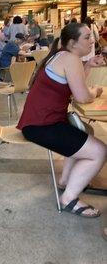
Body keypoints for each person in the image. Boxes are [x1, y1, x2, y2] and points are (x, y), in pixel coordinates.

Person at [17, 22, 106, 218]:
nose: (92, 41)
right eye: (87, 37)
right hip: (42, 125)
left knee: (84, 134)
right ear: (73, 42)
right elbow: (82, 96)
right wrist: (95, 91)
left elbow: (74, 84)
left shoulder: (63, 56)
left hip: (39, 122)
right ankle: (69, 199)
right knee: (99, 151)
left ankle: (66, 181)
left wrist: (89, 65)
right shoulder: (70, 58)